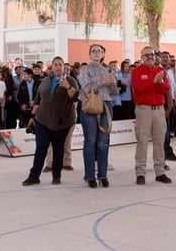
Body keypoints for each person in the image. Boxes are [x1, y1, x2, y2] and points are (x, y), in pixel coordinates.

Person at [22, 56, 78, 186]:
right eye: (56, 65)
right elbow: (38, 99)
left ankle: (56, 176)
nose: (58, 67)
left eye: (60, 64)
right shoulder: (45, 81)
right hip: (42, 120)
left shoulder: (70, 80)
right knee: (40, 149)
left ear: (64, 67)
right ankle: (34, 176)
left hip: (62, 122)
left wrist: (68, 87)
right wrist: (32, 117)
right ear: (51, 68)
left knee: (58, 150)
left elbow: (75, 98)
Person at [77, 44, 119, 188]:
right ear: (89, 54)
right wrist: (103, 81)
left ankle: (103, 175)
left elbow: (113, 93)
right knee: (90, 141)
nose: (96, 53)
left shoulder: (107, 70)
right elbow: (87, 88)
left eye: (99, 51)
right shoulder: (84, 69)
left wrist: (114, 83)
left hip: (106, 106)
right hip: (91, 106)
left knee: (103, 142)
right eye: (93, 50)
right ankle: (89, 176)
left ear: (103, 54)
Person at [131, 46, 172, 185]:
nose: (150, 57)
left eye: (152, 55)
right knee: (142, 141)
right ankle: (140, 173)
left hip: (159, 110)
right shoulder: (136, 71)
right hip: (144, 110)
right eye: (146, 55)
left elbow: (166, 89)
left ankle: (160, 172)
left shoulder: (161, 71)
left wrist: (159, 82)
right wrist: (154, 81)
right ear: (141, 57)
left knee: (159, 142)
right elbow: (138, 89)